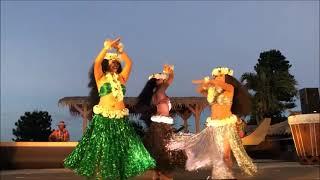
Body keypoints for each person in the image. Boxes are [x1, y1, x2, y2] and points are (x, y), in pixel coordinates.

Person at [64, 38, 155, 179]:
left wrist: (120, 51)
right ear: (107, 63)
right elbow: (97, 62)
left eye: (117, 62)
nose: (116, 64)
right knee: (102, 151)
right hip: (104, 118)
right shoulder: (100, 77)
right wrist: (106, 48)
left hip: (119, 119)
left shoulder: (122, 79)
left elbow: (129, 63)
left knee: (119, 151)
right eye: (113, 62)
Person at [168, 67, 257, 179]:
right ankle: (219, 176)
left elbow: (218, 83)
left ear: (227, 78)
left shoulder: (230, 88)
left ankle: (229, 176)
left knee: (226, 155)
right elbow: (199, 90)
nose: (217, 78)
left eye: (220, 76)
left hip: (226, 125)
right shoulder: (213, 92)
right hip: (214, 127)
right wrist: (205, 83)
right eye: (216, 77)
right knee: (217, 156)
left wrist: (210, 80)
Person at [135, 64, 176, 180]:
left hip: (159, 126)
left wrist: (166, 72)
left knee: (160, 151)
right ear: (157, 82)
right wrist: (171, 71)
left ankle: (158, 174)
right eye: (161, 79)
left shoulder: (156, 94)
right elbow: (171, 80)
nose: (163, 80)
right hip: (162, 126)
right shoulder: (160, 91)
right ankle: (164, 176)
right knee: (163, 152)